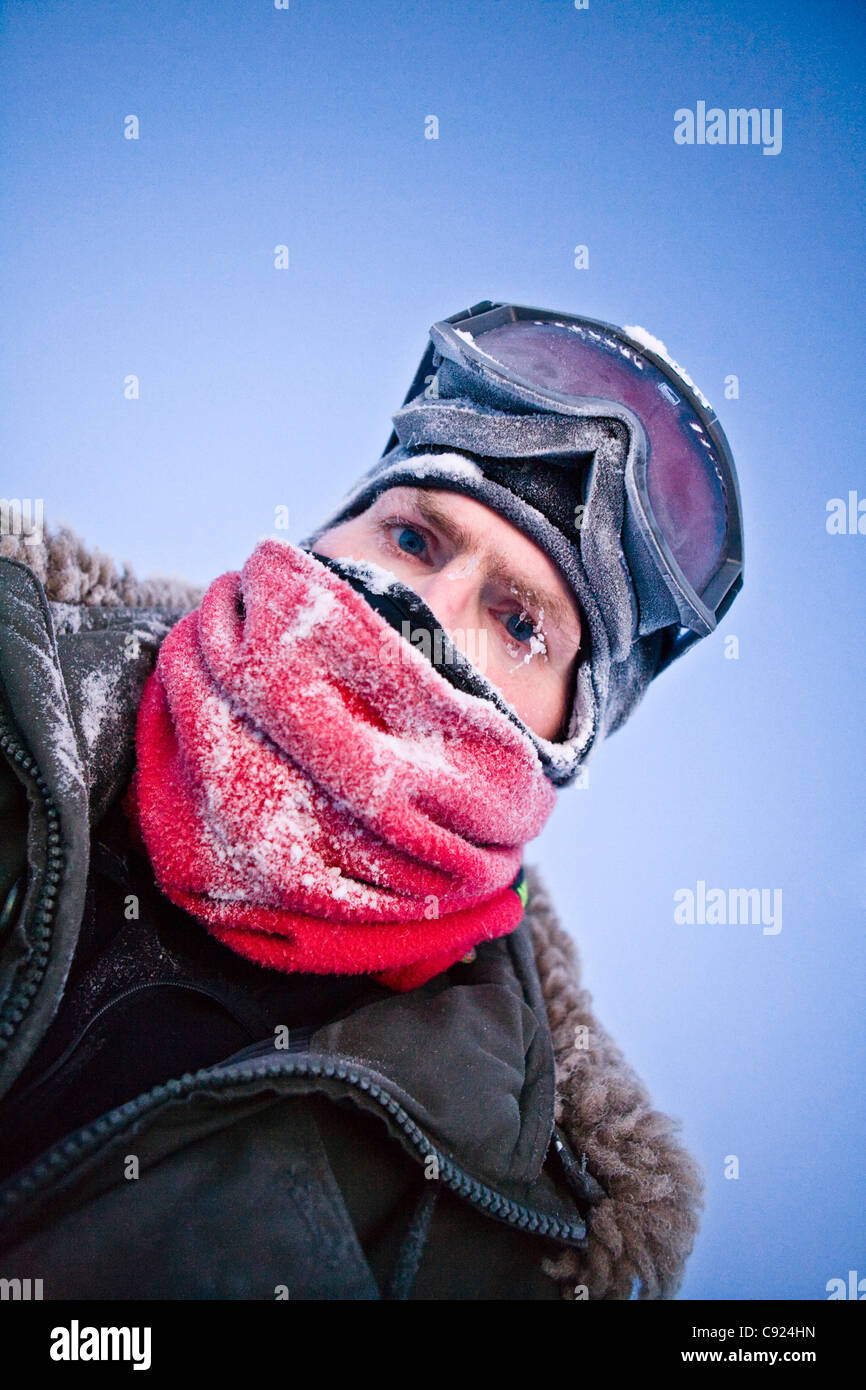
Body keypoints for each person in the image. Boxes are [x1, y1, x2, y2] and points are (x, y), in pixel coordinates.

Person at [0, 301, 743, 1300]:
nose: (426, 619)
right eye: (413, 539)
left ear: (564, 741)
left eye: (516, 622)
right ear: (326, 536)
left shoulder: (512, 1229)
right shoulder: (17, 677)